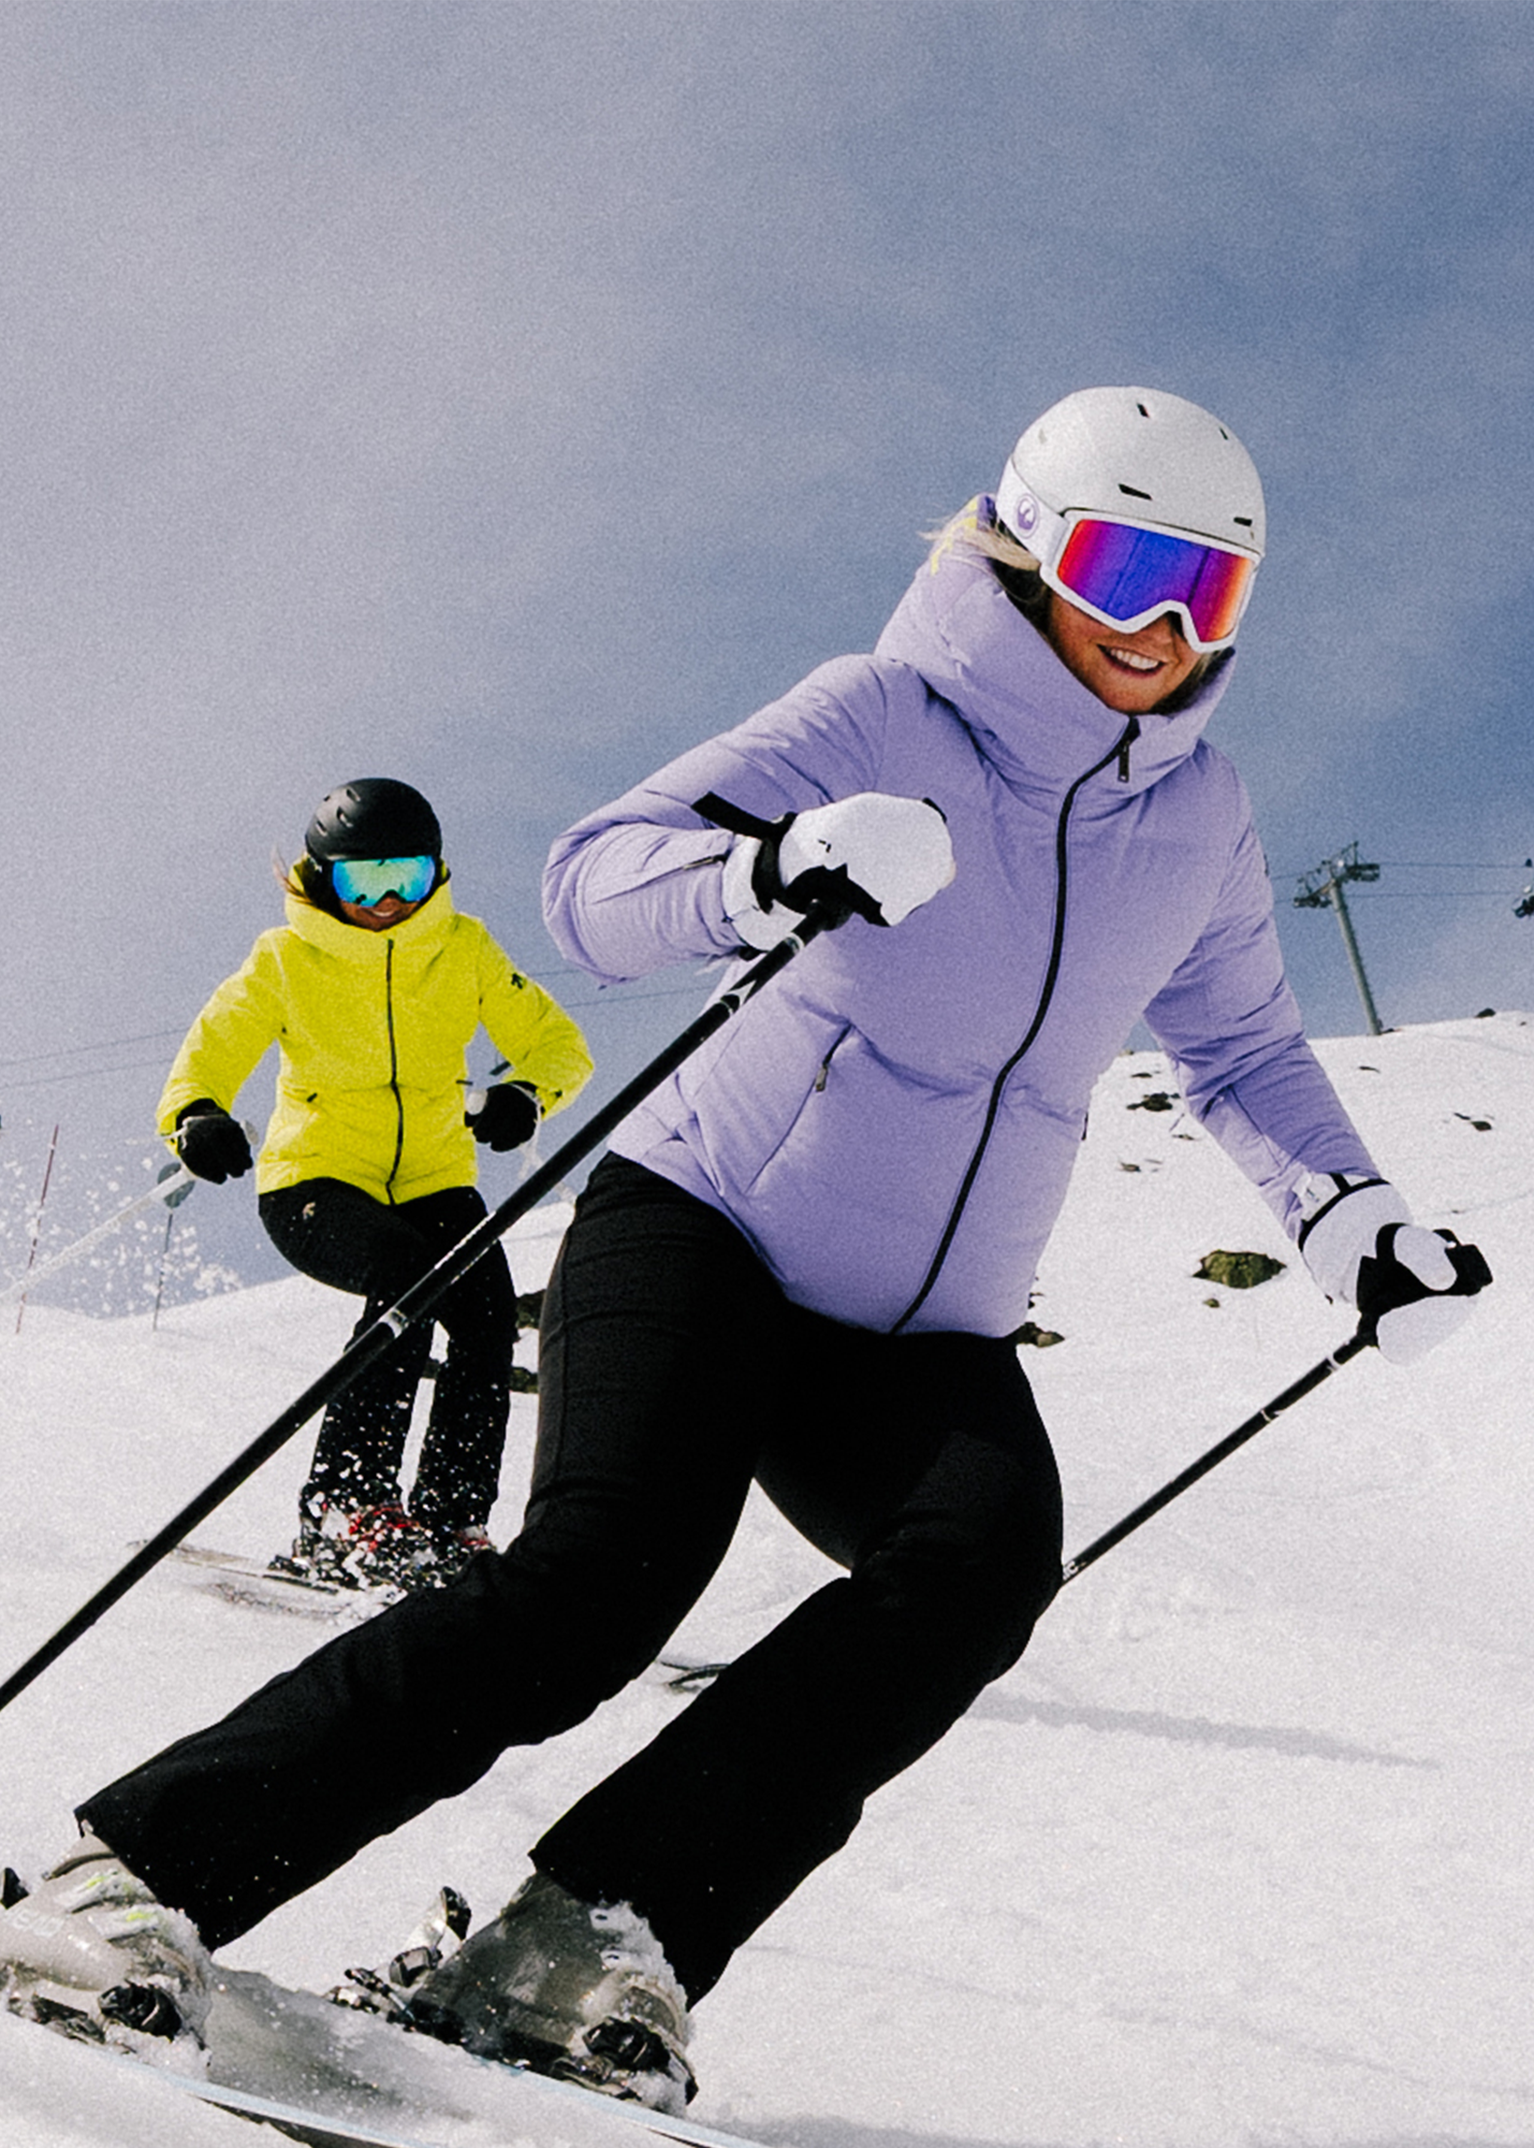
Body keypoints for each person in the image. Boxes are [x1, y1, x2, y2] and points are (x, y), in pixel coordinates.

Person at [0, 390, 1490, 2110]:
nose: (1159, 628)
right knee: (596, 1583)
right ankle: (131, 1879)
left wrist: (1342, 1212)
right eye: (1126, 565)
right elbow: (593, 879)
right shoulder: (879, 710)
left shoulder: (1198, 818)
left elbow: (1238, 1053)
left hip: (920, 1321)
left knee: (979, 1562)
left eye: (1207, 595)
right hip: (707, 1221)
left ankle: (584, 1934)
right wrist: (763, 870)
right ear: (1021, 544)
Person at [154, 776, 592, 1589]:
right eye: (364, 881)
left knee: (489, 1312)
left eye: (408, 879)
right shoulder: (284, 958)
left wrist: (526, 1097)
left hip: (434, 1175)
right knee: (405, 1281)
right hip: (315, 1177)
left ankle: (449, 1520)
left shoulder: (464, 948)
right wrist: (196, 1113)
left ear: (434, 872)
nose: (388, 901)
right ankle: (345, 1509)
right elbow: (213, 1046)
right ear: (324, 879)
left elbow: (560, 1046)